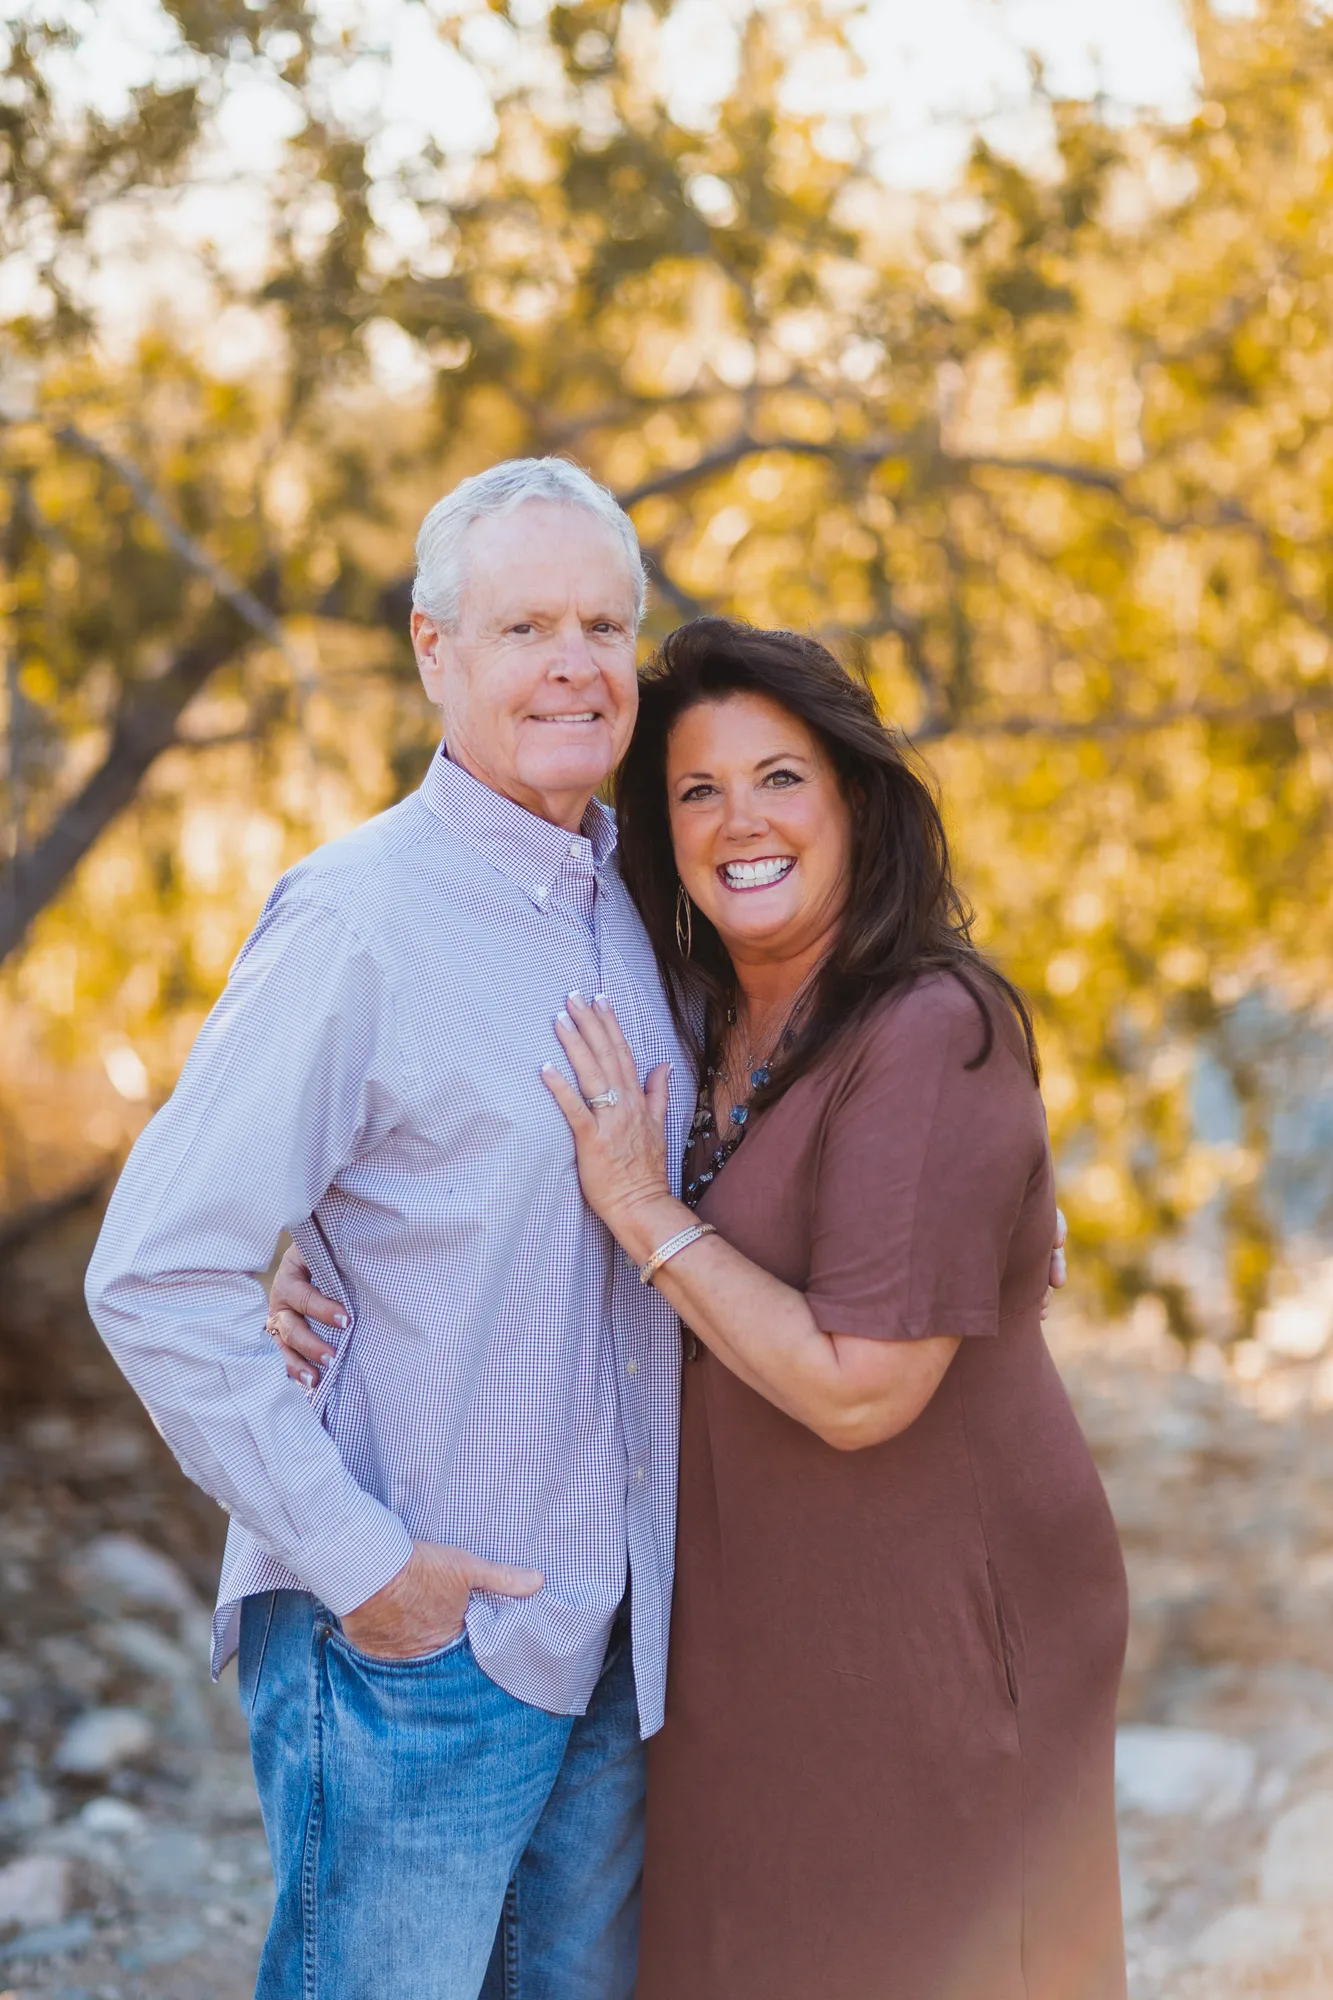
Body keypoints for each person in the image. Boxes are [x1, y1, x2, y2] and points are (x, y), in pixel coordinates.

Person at [84, 458, 699, 2000]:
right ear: (436, 651)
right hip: (414, 1654)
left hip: (615, 1653)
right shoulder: (358, 917)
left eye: (606, 627)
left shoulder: (634, 900)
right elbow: (157, 1269)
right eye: (527, 628)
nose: (575, 663)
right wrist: (367, 1569)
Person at [537, 618, 1130, 1999]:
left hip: (931, 1632)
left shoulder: (931, 1029)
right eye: (698, 790)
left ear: (854, 800)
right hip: (754, 1635)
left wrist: (645, 1212)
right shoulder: (693, 1018)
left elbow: (862, 1385)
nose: (740, 819)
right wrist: (317, 1274)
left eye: (780, 777)